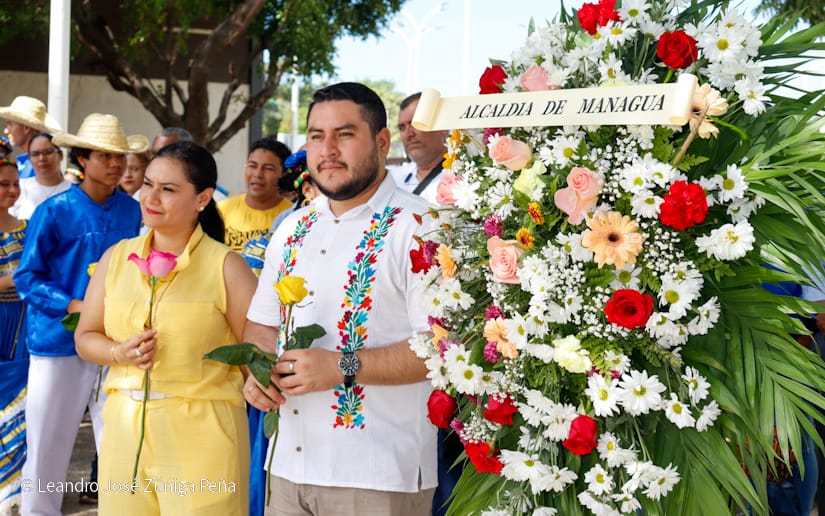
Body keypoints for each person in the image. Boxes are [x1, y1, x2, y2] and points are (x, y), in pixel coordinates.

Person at [244, 82, 436, 516]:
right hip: (287, 467)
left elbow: (440, 349)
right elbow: (260, 325)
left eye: (344, 134)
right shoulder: (292, 228)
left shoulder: (423, 226)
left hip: (378, 473)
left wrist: (342, 366)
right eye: (316, 136)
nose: (327, 149)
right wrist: (258, 370)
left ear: (382, 142)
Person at [75, 140, 257, 515]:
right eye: (148, 184)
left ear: (203, 198)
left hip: (204, 434)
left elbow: (254, 355)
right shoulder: (117, 257)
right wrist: (117, 352)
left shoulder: (227, 267)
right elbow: (85, 336)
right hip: (125, 430)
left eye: (168, 189)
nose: (150, 197)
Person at [14, 113, 145, 515]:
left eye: (119, 157)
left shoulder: (132, 211)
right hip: (58, 342)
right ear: (82, 160)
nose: (116, 165)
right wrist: (74, 305)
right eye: (105, 156)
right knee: (48, 443)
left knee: (120, 439)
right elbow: (27, 278)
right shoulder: (53, 212)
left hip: (115, 342)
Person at [0, 159, 27, 514]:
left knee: (19, 407)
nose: (11, 191)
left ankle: (13, 493)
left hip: (22, 325)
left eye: (14, 183)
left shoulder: (28, 229)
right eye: (2, 184)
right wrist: (14, 279)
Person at [217, 137, 293, 252]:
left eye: (268, 168)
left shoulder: (292, 218)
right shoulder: (221, 211)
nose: (257, 174)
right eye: (252, 166)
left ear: (283, 174)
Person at [393, 92, 448, 203]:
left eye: (415, 124)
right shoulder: (391, 180)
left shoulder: (467, 176)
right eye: (402, 127)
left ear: (442, 127)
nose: (408, 134)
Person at [150, 127, 228, 201]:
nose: (156, 159)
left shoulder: (215, 201)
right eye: (153, 153)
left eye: (165, 153)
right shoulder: (141, 195)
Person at [11, 133, 71, 220]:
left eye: (48, 152)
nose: (42, 158)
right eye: (35, 154)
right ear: (29, 159)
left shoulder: (75, 190)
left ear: (61, 155)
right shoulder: (19, 188)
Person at [0, 96, 61, 179]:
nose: (6, 131)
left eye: (10, 124)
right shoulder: (28, 164)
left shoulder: (38, 166)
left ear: (26, 128)